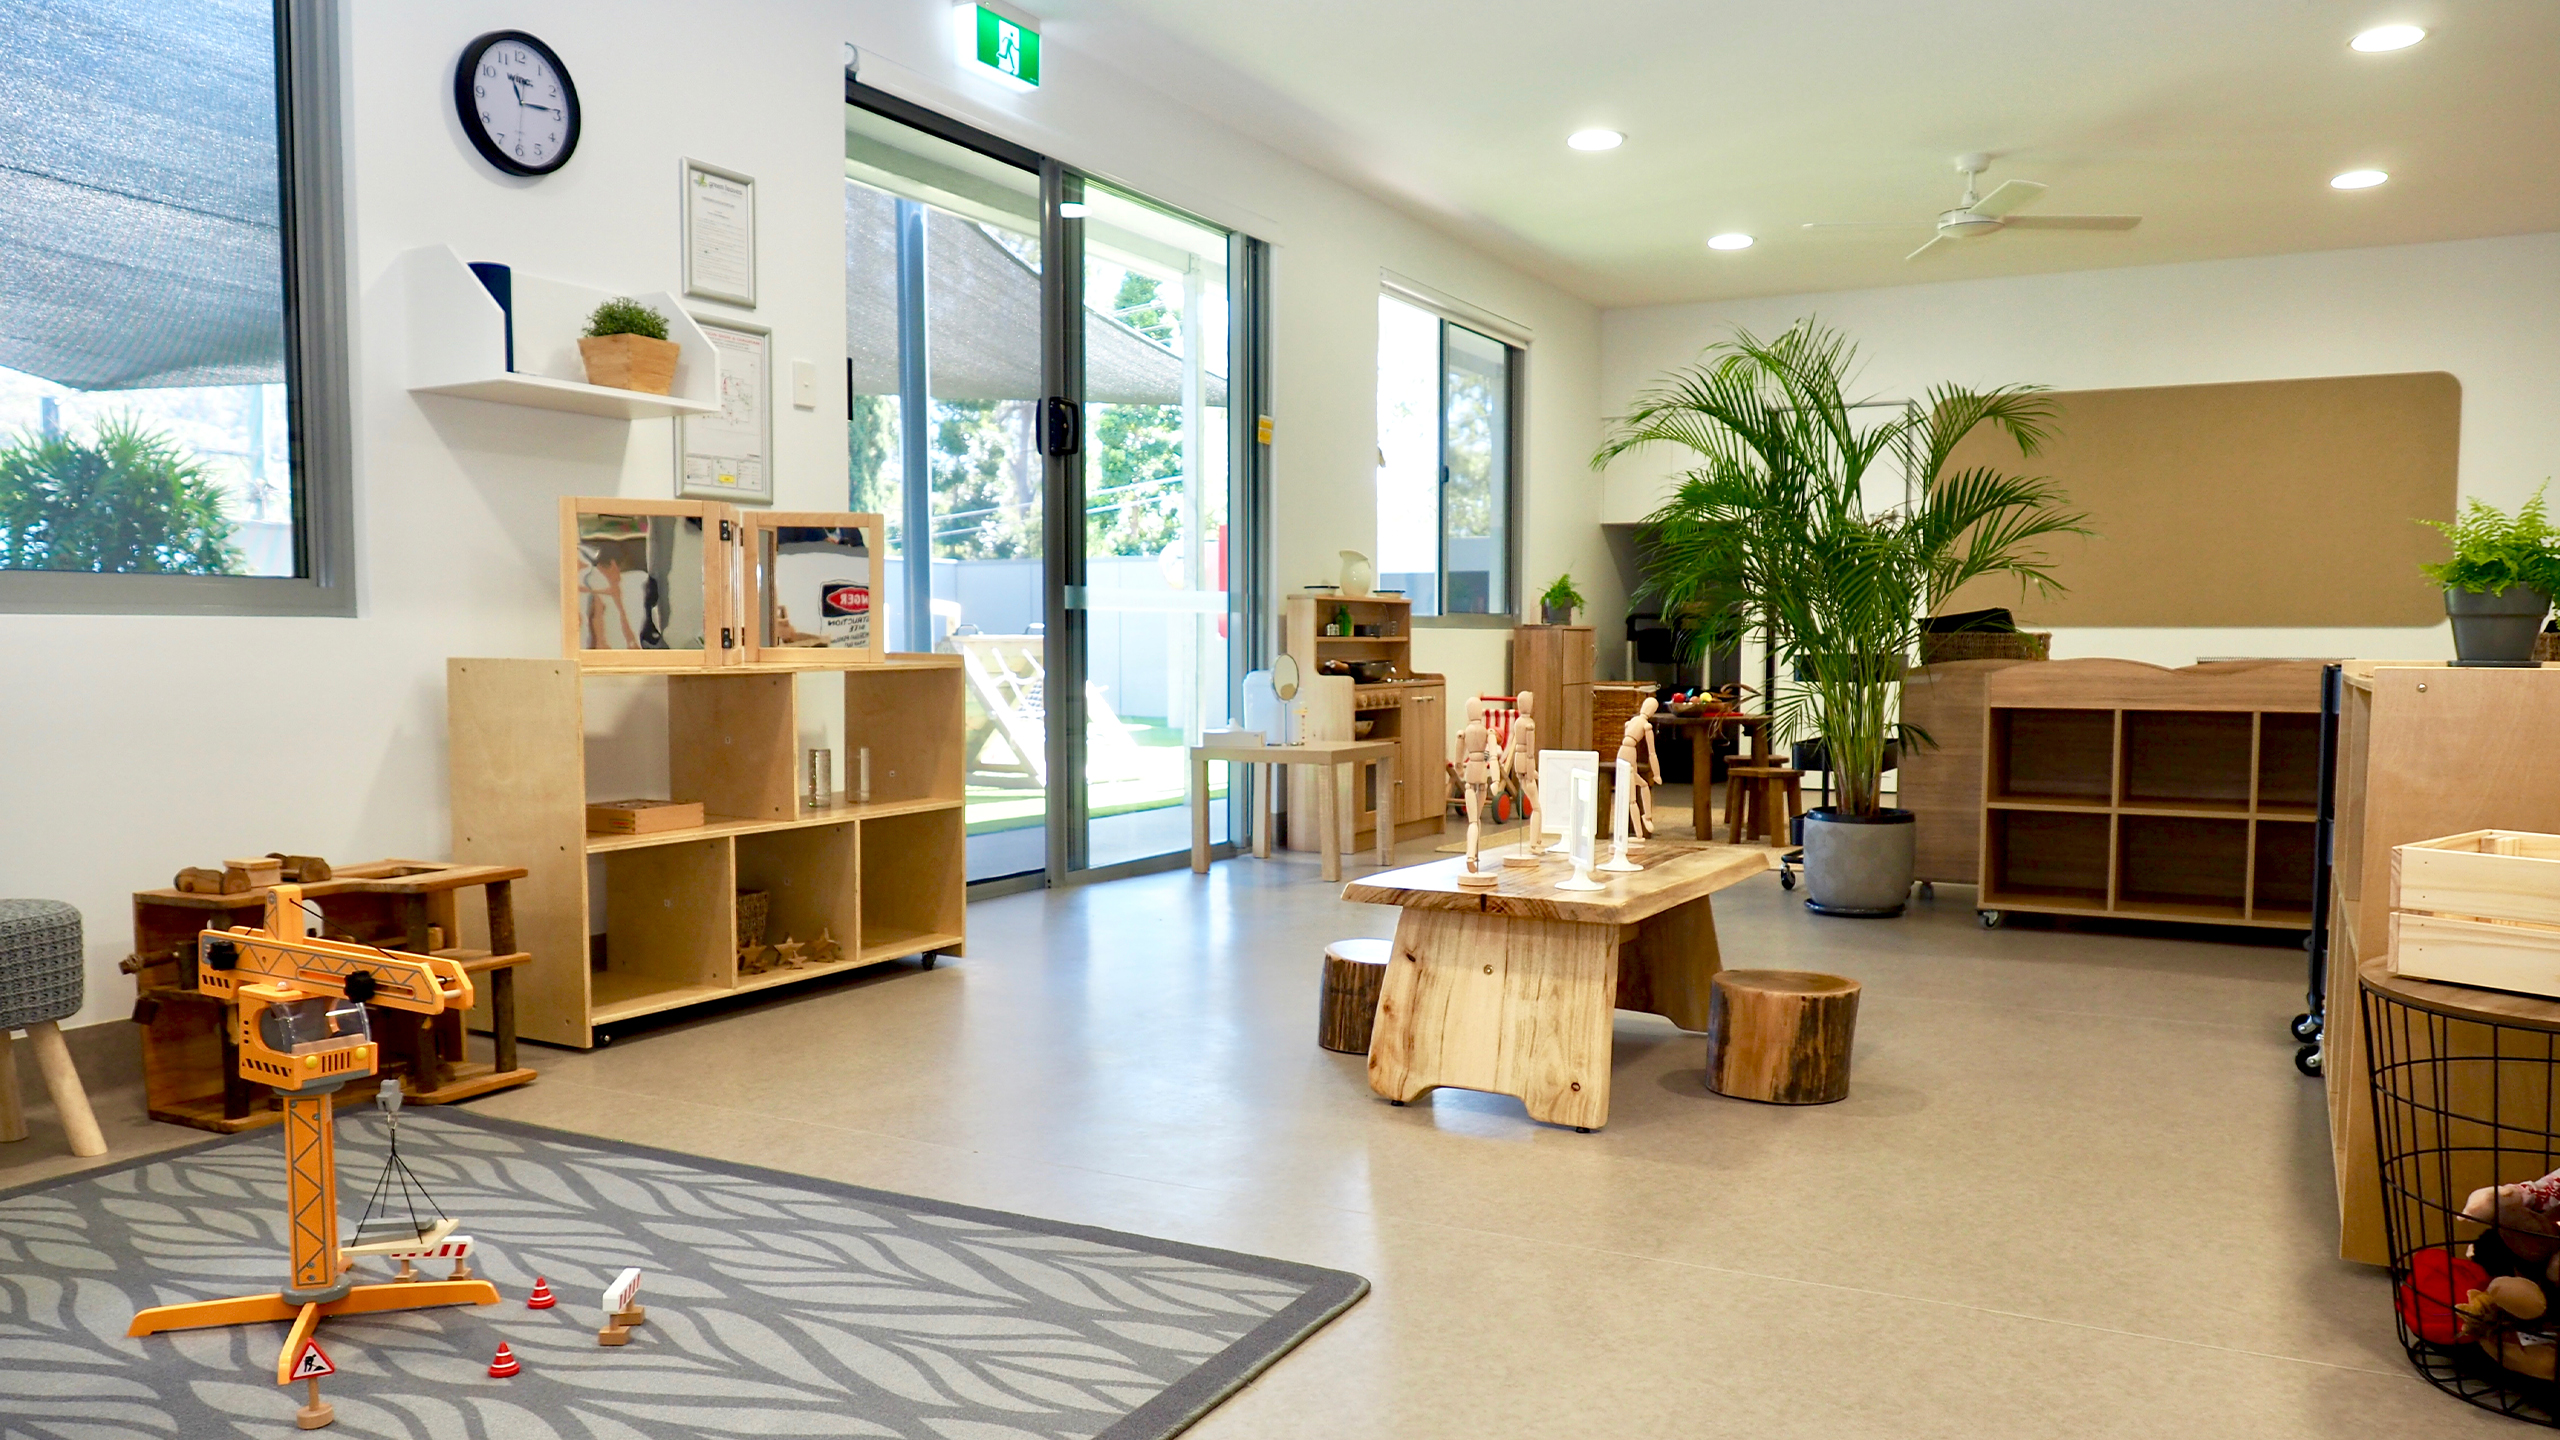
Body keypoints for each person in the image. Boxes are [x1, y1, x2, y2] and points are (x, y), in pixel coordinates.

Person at [1617, 695, 1663, 840]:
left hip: (1624, 753)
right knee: (1632, 798)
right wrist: (1656, 774)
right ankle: (1638, 833)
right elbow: (1652, 753)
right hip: (1628, 754)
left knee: (1642, 784)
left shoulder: (1631, 722)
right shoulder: (1646, 726)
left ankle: (1646, 818)